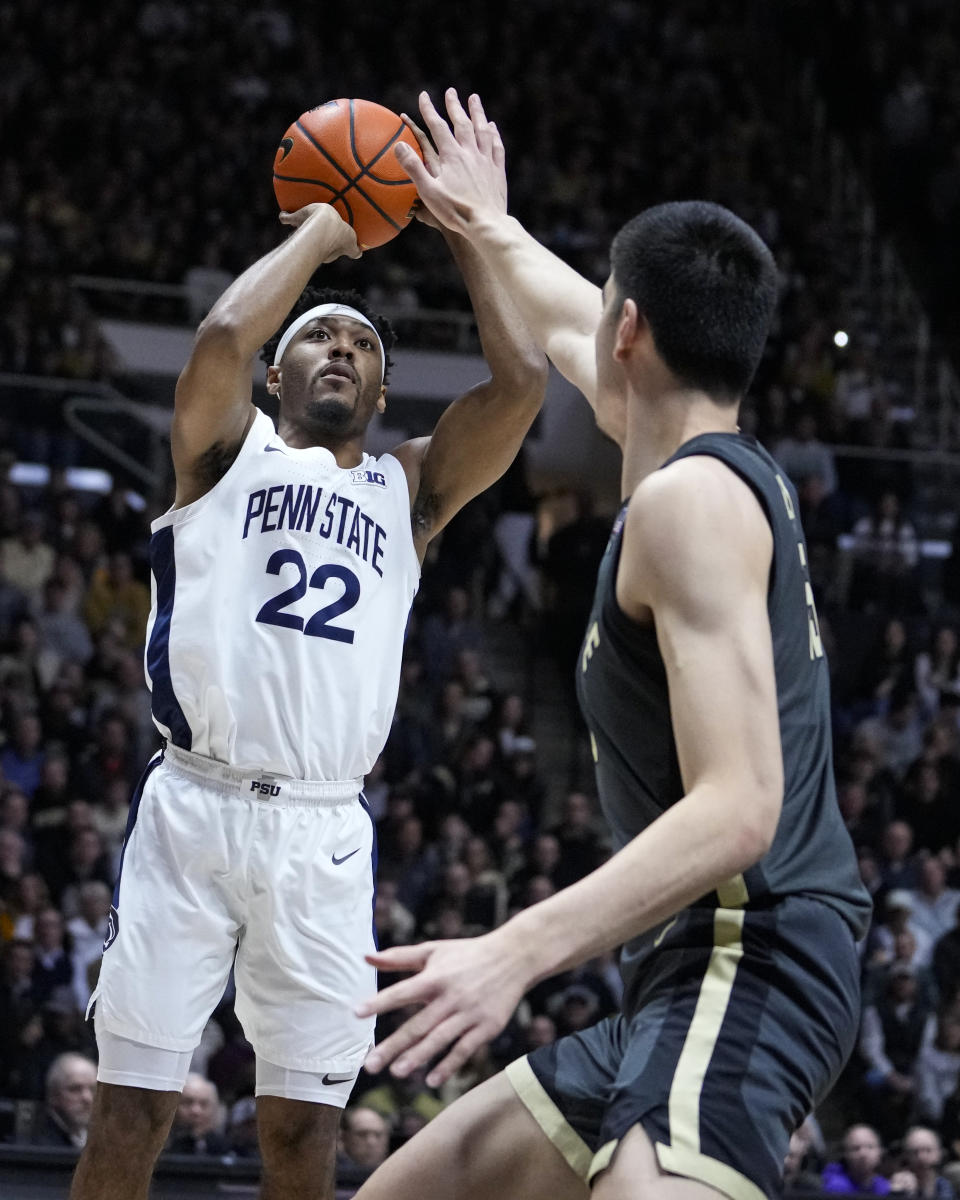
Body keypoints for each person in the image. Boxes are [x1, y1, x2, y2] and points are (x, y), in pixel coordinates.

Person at [351, 88, 872, 1200]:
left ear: (627, 329)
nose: (591, 322)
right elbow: (553, 310)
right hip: (678, 971)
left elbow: (740, 809)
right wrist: (480, 221)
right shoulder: (685, 447)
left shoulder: (690, 506)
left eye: (605, 309)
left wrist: (513, 952)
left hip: (757, 954)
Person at [69, 102, 546, 1200]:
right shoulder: (220, 456)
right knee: (132, 1107)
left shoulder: (407, 491)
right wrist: (327, 231)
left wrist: (472, 232)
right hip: (192, 808)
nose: (341, 348)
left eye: (363, 345)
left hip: (325, 831)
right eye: (319, 340)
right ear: (280, 381)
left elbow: (520, 386)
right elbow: (221, 340)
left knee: (301, 1135)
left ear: (381, 395)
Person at [27, 1052, 97, 1149]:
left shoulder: (104, 1136)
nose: (87, 1098)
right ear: (53, 1095)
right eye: (75, 1089)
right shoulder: (37, 1145)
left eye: (94, 1089)